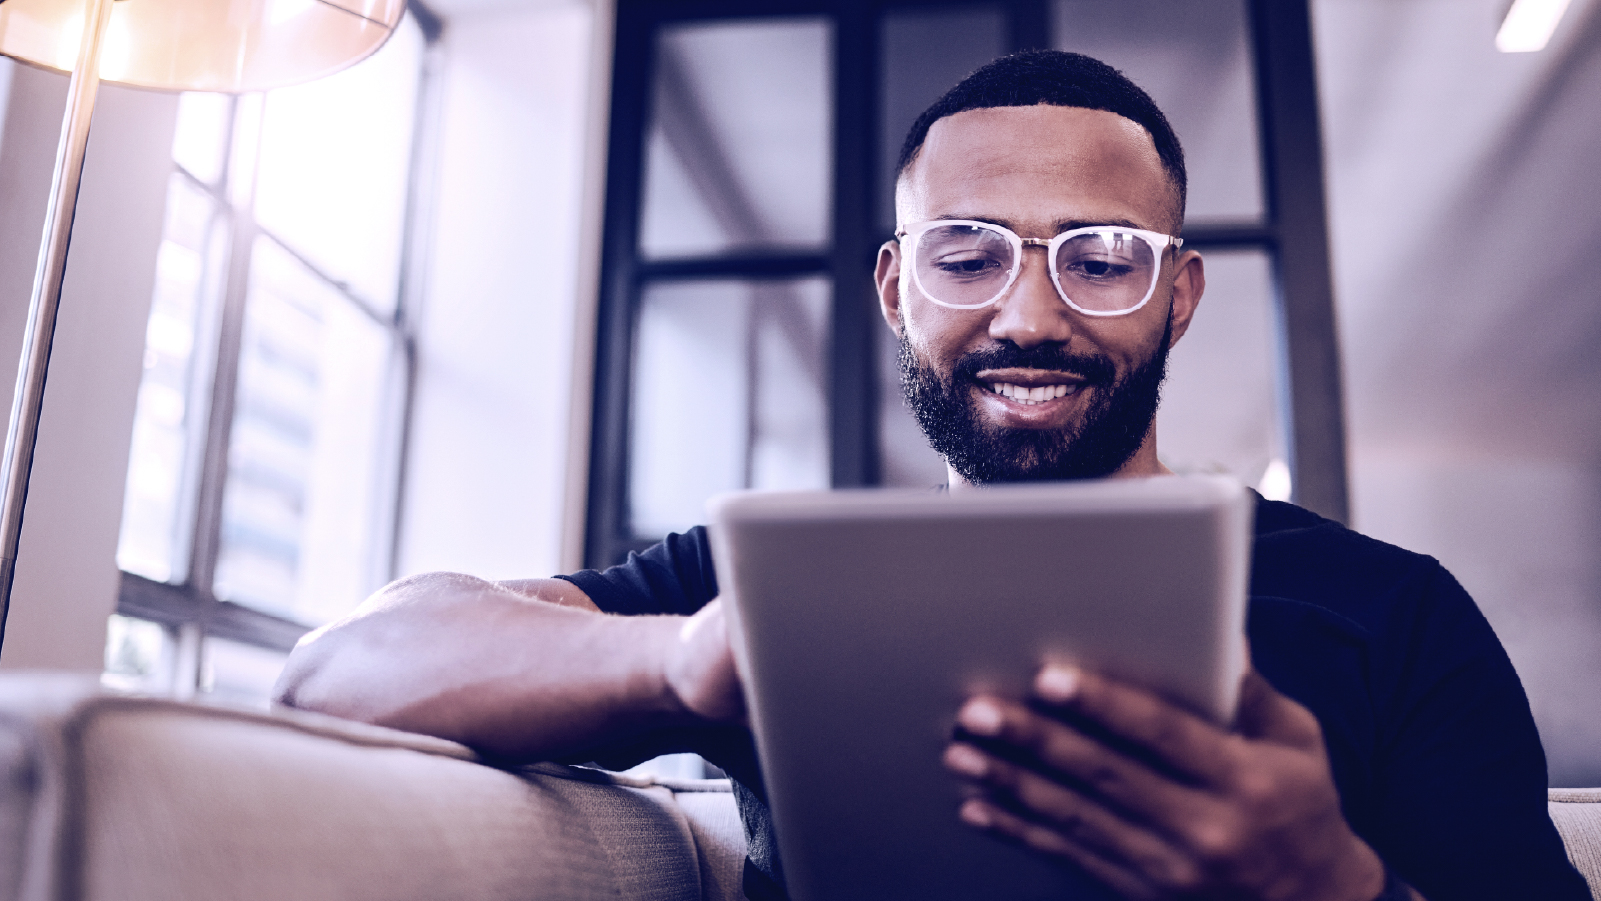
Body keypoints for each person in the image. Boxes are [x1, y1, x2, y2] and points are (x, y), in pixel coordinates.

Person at [274, 51, 1587, 901]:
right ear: (898, 290)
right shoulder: (764, 584)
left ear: (1177, 296)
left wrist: (1331, 886)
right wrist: (684, 660)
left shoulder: (1390, 613)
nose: (1030, 315)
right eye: (967, 254)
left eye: (1101, 255)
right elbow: (338, 672)